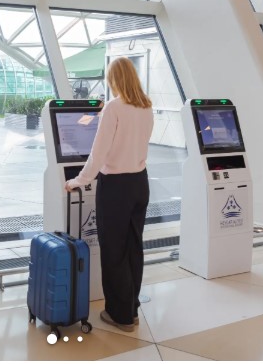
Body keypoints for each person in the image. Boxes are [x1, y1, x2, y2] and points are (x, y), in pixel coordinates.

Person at [64, 57, 154, 332]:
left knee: (114, 251)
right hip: (140, 183)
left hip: (116, 187)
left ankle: (120, 314)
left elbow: (98, 152)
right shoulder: (147, 106)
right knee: (133, 248)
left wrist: (77, 181)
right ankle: (132, 308)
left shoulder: (114, 108)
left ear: (114, 79)